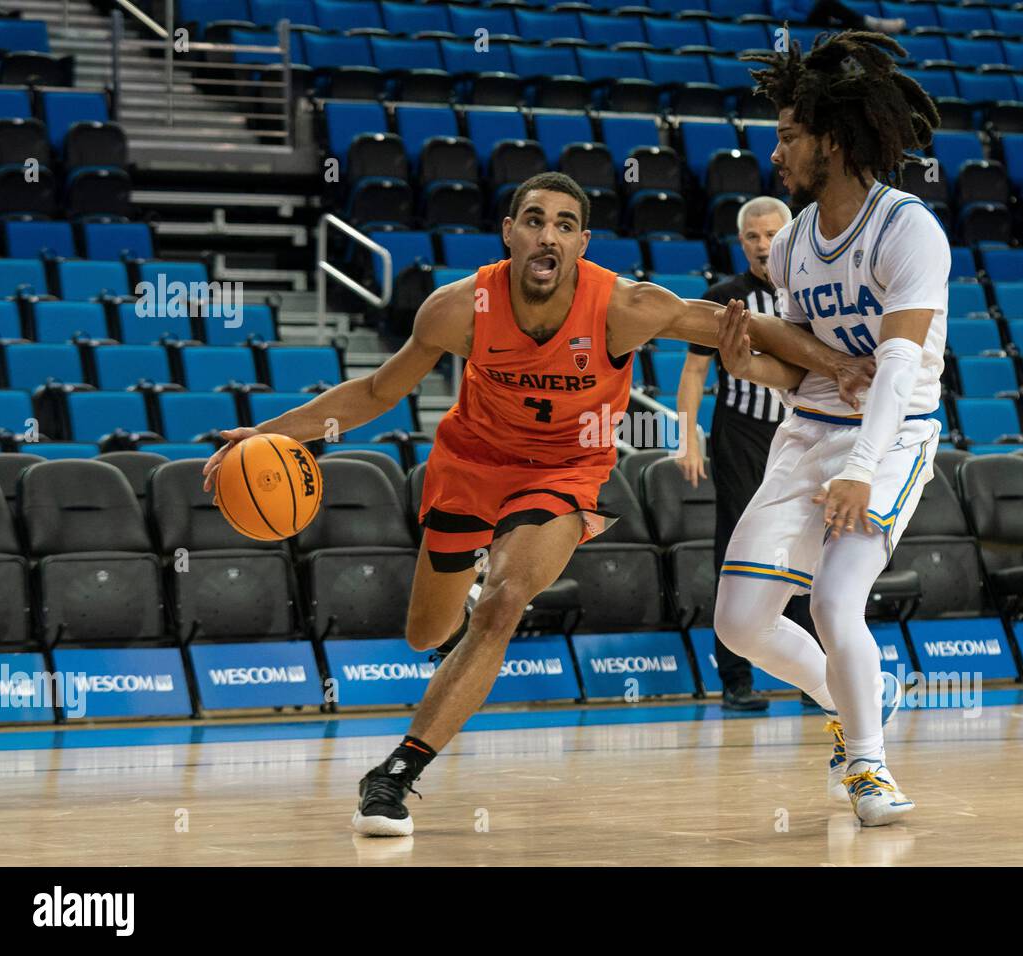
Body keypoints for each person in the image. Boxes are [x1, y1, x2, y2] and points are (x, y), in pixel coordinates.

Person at [201, 172, 874, 837]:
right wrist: (267, 434)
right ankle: (468, 590)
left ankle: (395, 774)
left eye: (563, 224)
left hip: (564, 473)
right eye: (533, 219)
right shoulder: (458, 307)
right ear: (509, 234)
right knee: (424, 635)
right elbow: (378, 391)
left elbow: (747, 325)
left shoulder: (625, 305)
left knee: (503, 602)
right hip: (469, 467)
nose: (546, 234)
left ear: (582, 242)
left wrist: (836, 365)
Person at [711, 31, 947, 827]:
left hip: (892, 437)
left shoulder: (908, 230)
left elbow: (900, 366)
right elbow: (808, 369)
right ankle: (858, 699)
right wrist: (753, 371)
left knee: (836, 602)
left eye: (788, 136)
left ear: (832, 141)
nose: (775, 152)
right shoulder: (794, 247)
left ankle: (869, 769)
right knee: (738, 622)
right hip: (808, 434)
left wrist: (863, 466)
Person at [675, 196, 827, 712]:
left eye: (771, 235)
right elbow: (694, 371)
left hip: (803, 431)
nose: (763, 246)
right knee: (737, 546)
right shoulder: (724, 298)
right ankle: (736, 681)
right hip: (740, 436)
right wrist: (686, 435)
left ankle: (814, 677)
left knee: (807, 547)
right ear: (740, 243)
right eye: (753, 237)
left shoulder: (809, 295)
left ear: (789, 236)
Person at [769, 0, 905, 34]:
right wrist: (807, 19)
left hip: (817, 21)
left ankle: (875, 36)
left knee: (850, 26)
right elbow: (782, 13)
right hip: (799, 24)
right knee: (826, 3)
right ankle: (874, 24)